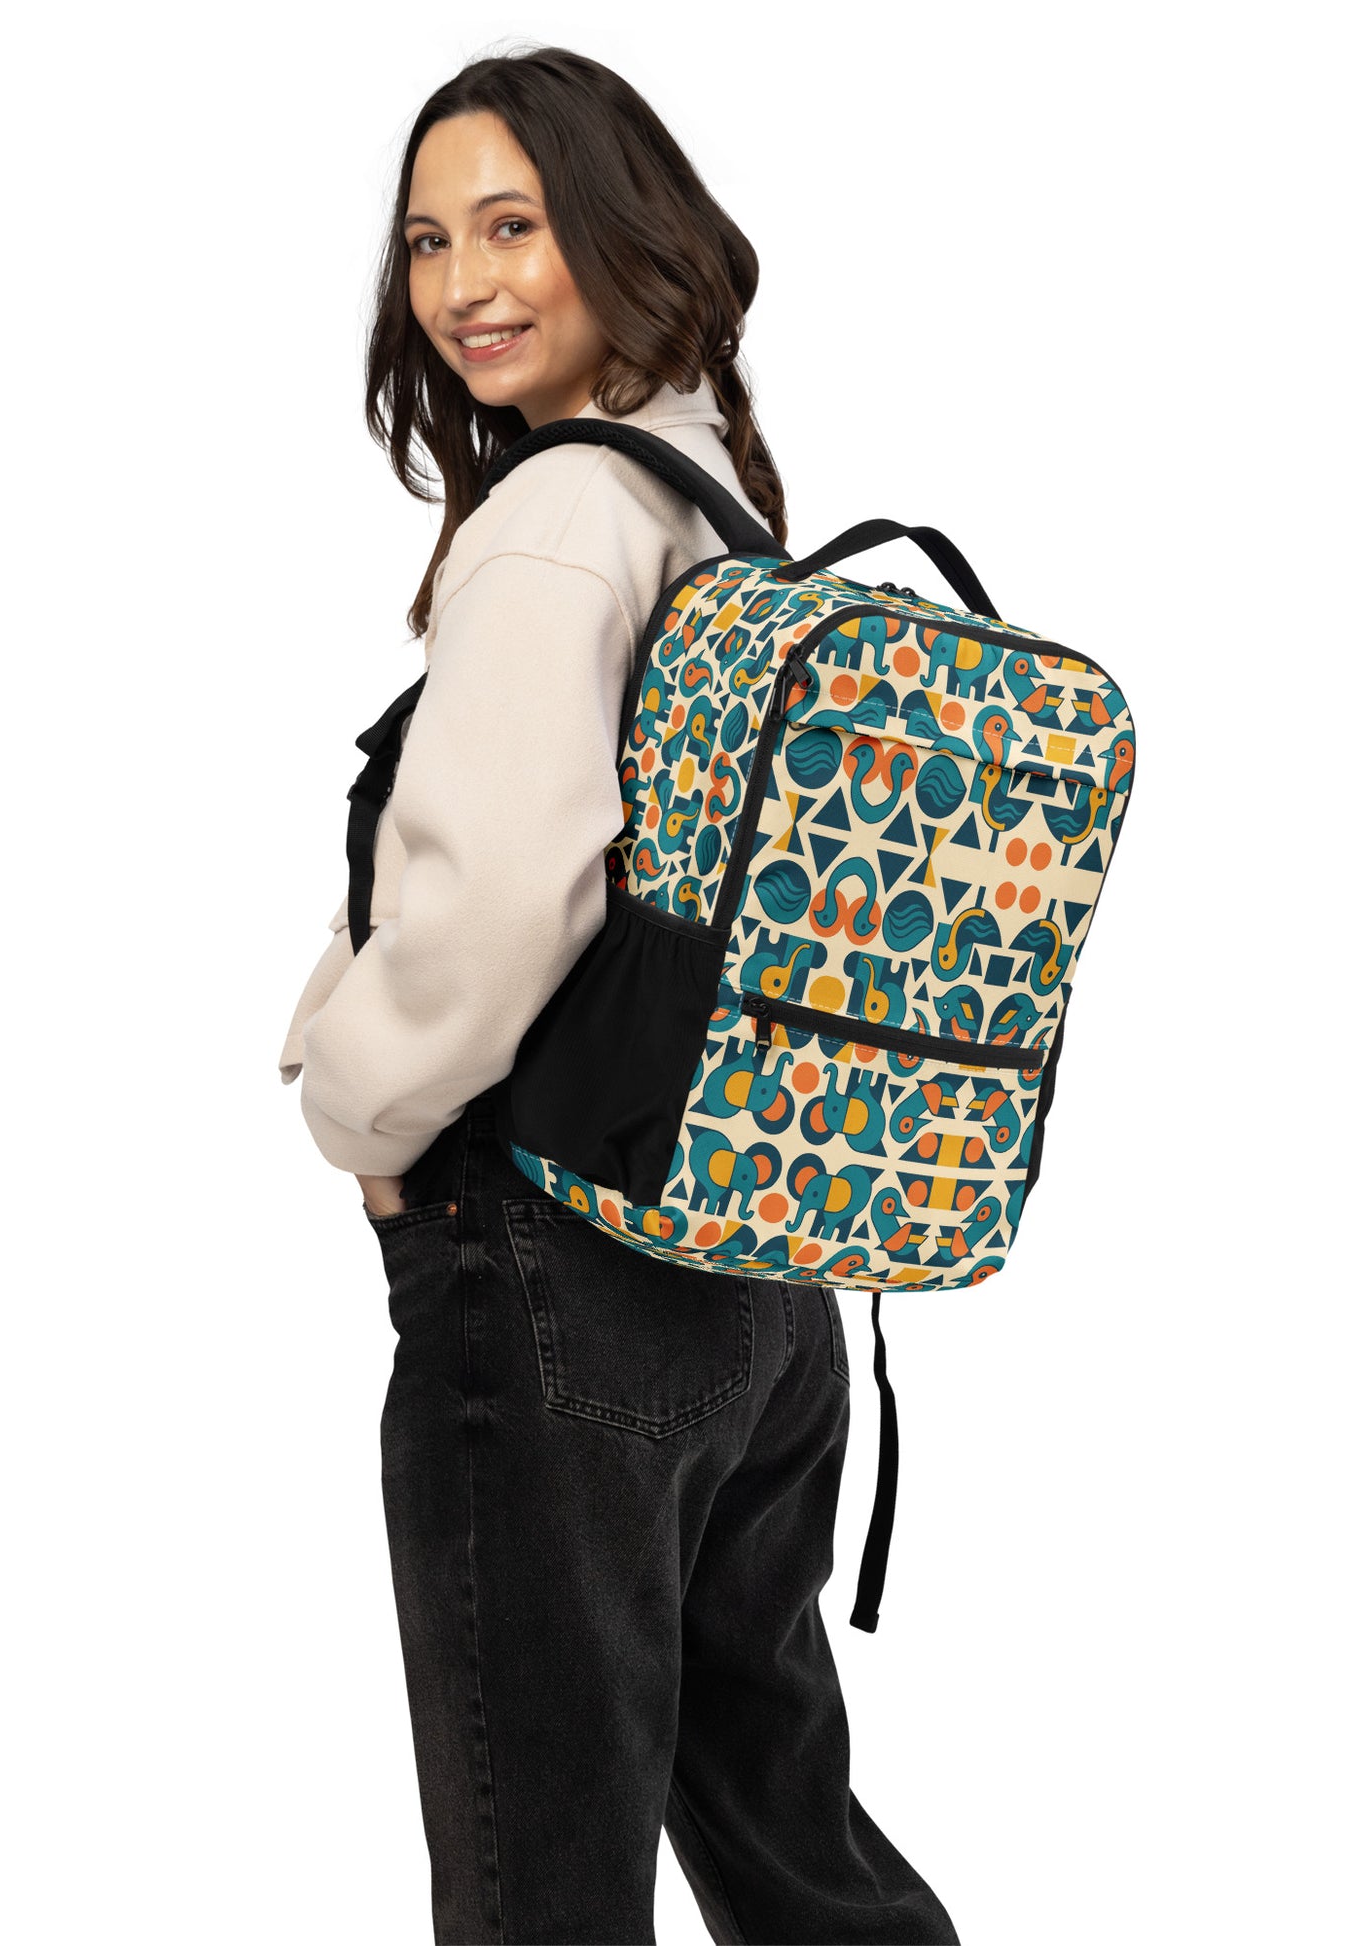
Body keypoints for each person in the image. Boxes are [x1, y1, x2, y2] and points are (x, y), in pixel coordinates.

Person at [279, 45, 960, 1945]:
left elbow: (499, 899)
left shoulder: (560, 519)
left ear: (616, 230)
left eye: (515, 225)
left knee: (537, 1891)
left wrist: (354, 1111)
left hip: (556, 1277)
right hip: (756, 1273)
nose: (465, 283)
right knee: (791, 1848)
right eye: (428, 239)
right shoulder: (713, 489)